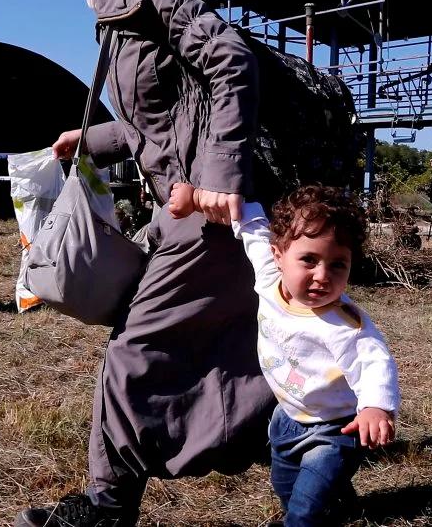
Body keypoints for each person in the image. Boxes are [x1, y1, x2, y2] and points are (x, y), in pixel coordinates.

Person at [14, 0, 275, 525]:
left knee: (136, 349)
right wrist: (92, 138)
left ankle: (107, 509)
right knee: (237, 350)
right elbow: (168, 111)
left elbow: (231, 61)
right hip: (187, 207)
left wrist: (219, 178)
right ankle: (319, 459)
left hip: (207, 210)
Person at [169, 183, 398, 527]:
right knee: (286, 487)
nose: (322, 276)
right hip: (287, 417)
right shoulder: (267, 277)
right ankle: (341, 506)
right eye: (309, 259)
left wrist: (375, 407)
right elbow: (252, 223)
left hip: (335, 429)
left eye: (338, 265)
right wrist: (198, 199)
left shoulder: (345, 323)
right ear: (279, 256)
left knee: (304, 510)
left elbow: (374, 361)